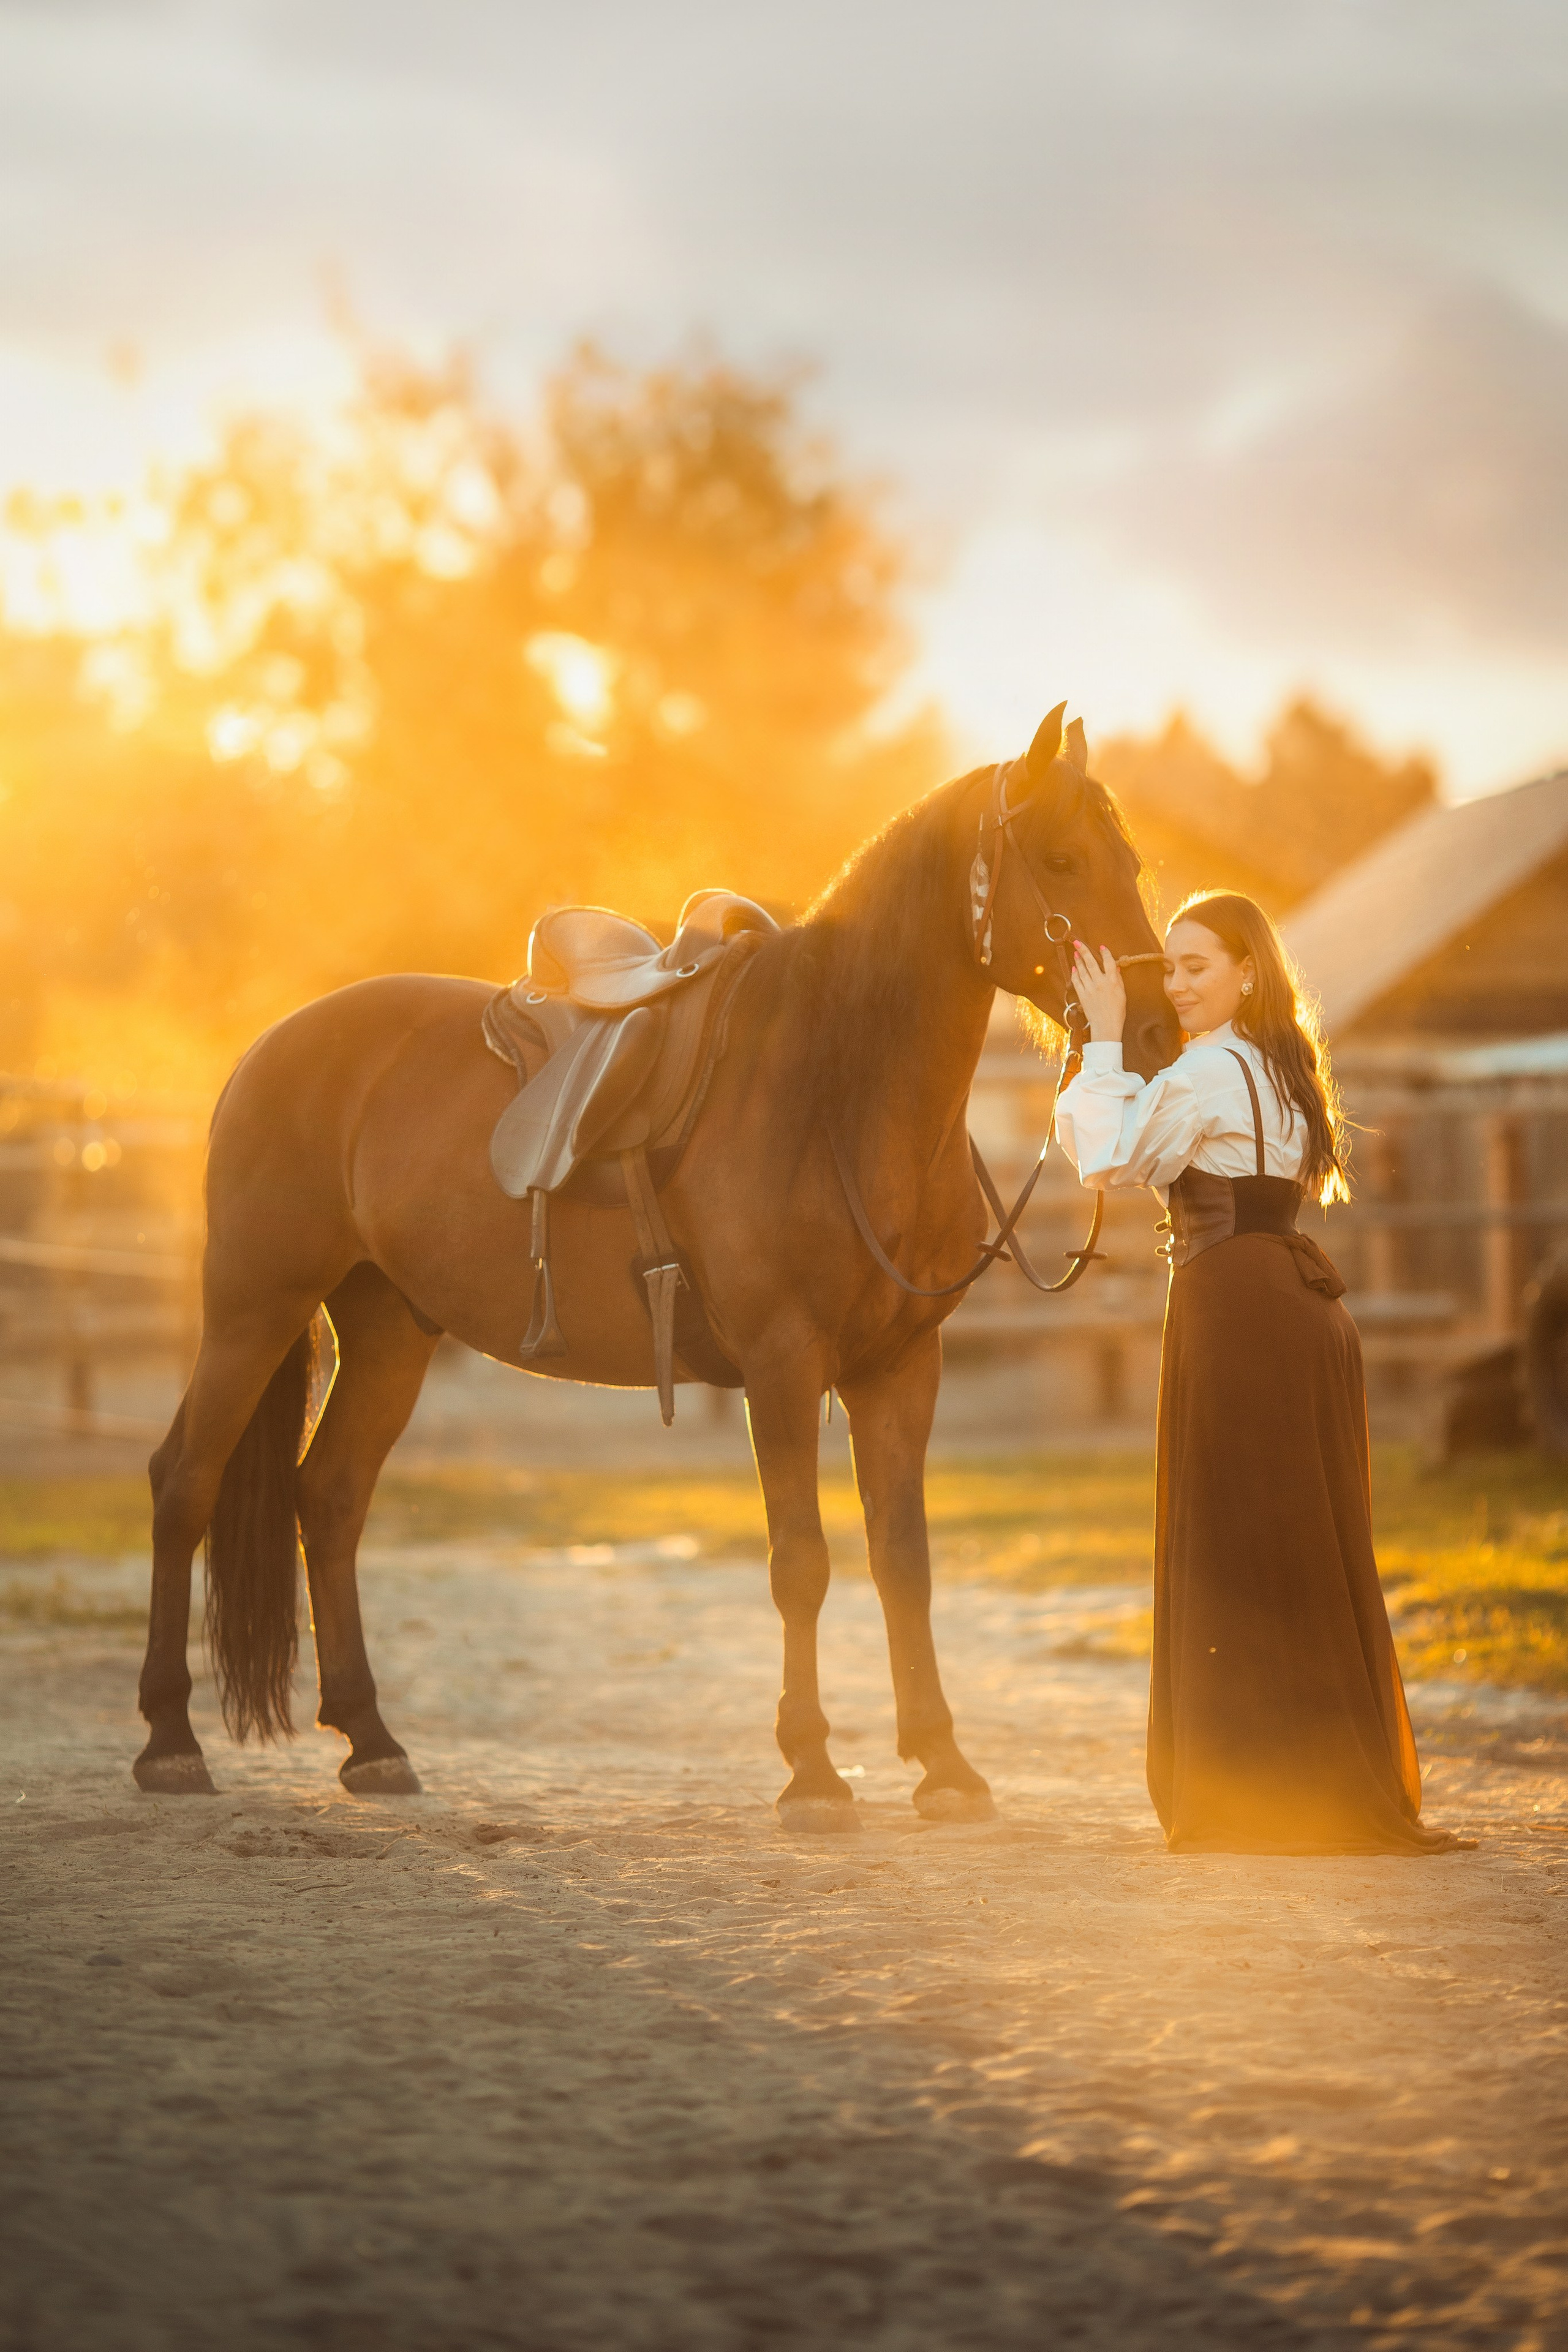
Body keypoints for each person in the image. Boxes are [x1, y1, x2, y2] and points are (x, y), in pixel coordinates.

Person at [1057, 892, 1463, 1855]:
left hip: (1239, 1309)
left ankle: (1258, 1789)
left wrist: (1106, 1037)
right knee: (1299, 1537)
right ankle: (1299, 1780)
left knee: (1245, 1540)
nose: (1182, 984)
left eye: (1200, 965)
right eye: (1175, 966)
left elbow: (1106, 1161)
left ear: (1248, 972)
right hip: (1289, 1306)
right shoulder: (1280, 1069)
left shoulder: (1209, 1073)